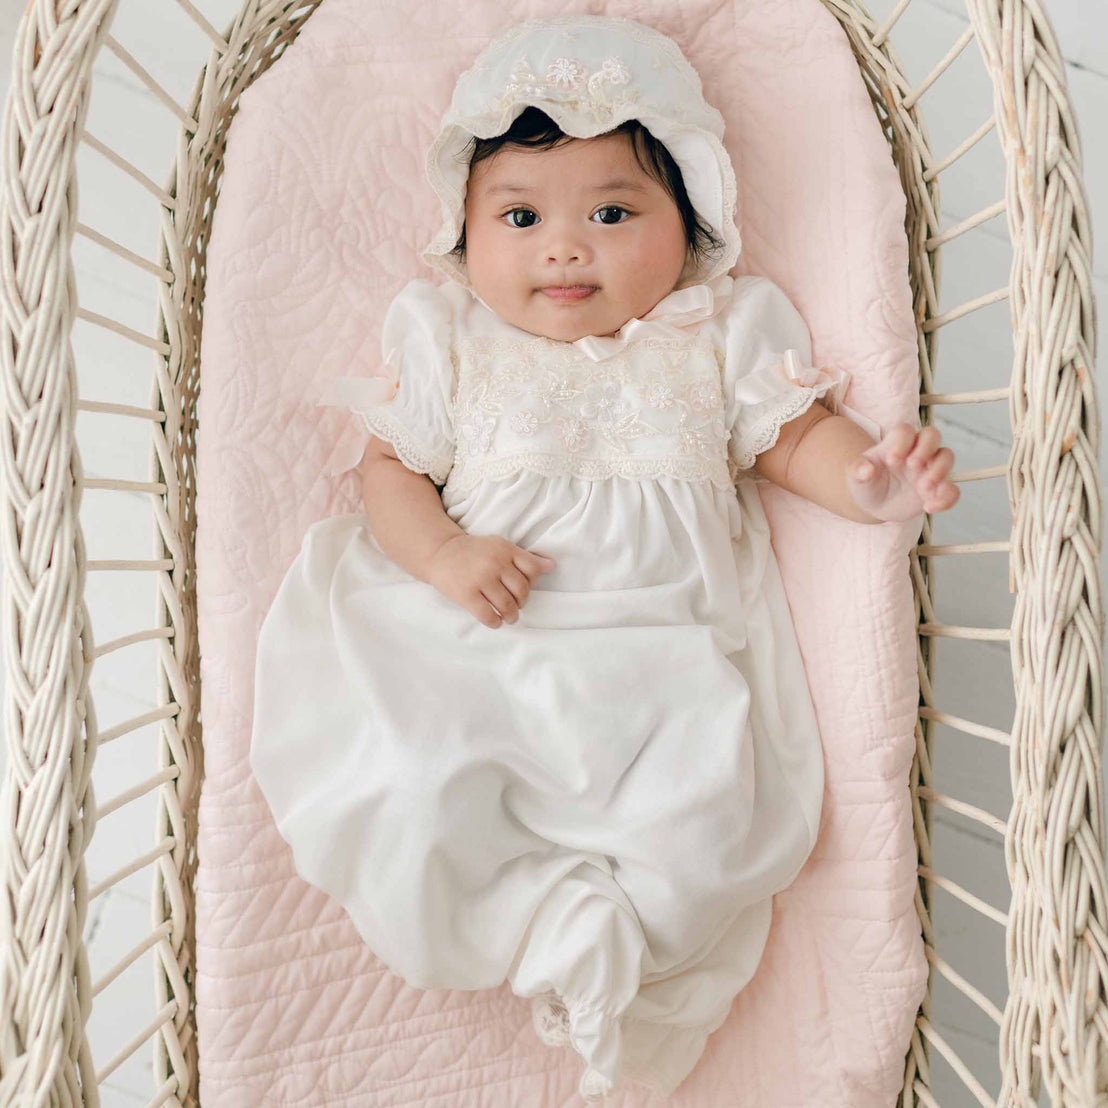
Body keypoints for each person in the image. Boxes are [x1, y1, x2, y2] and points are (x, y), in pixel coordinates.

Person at [249, 14, 958, 1103]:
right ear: (464, 230)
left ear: (691, 225)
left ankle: (611, 945)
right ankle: (536, 919)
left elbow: (796, 438)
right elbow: (391, 474)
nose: (562, 246)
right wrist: (441, 555)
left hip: (662, 656)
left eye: (613, 212)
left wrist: (872, 480)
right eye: (521, 215)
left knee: (711, 813)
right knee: (416, 779)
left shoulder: (716, 330)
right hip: (485, 635)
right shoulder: (450, 338)